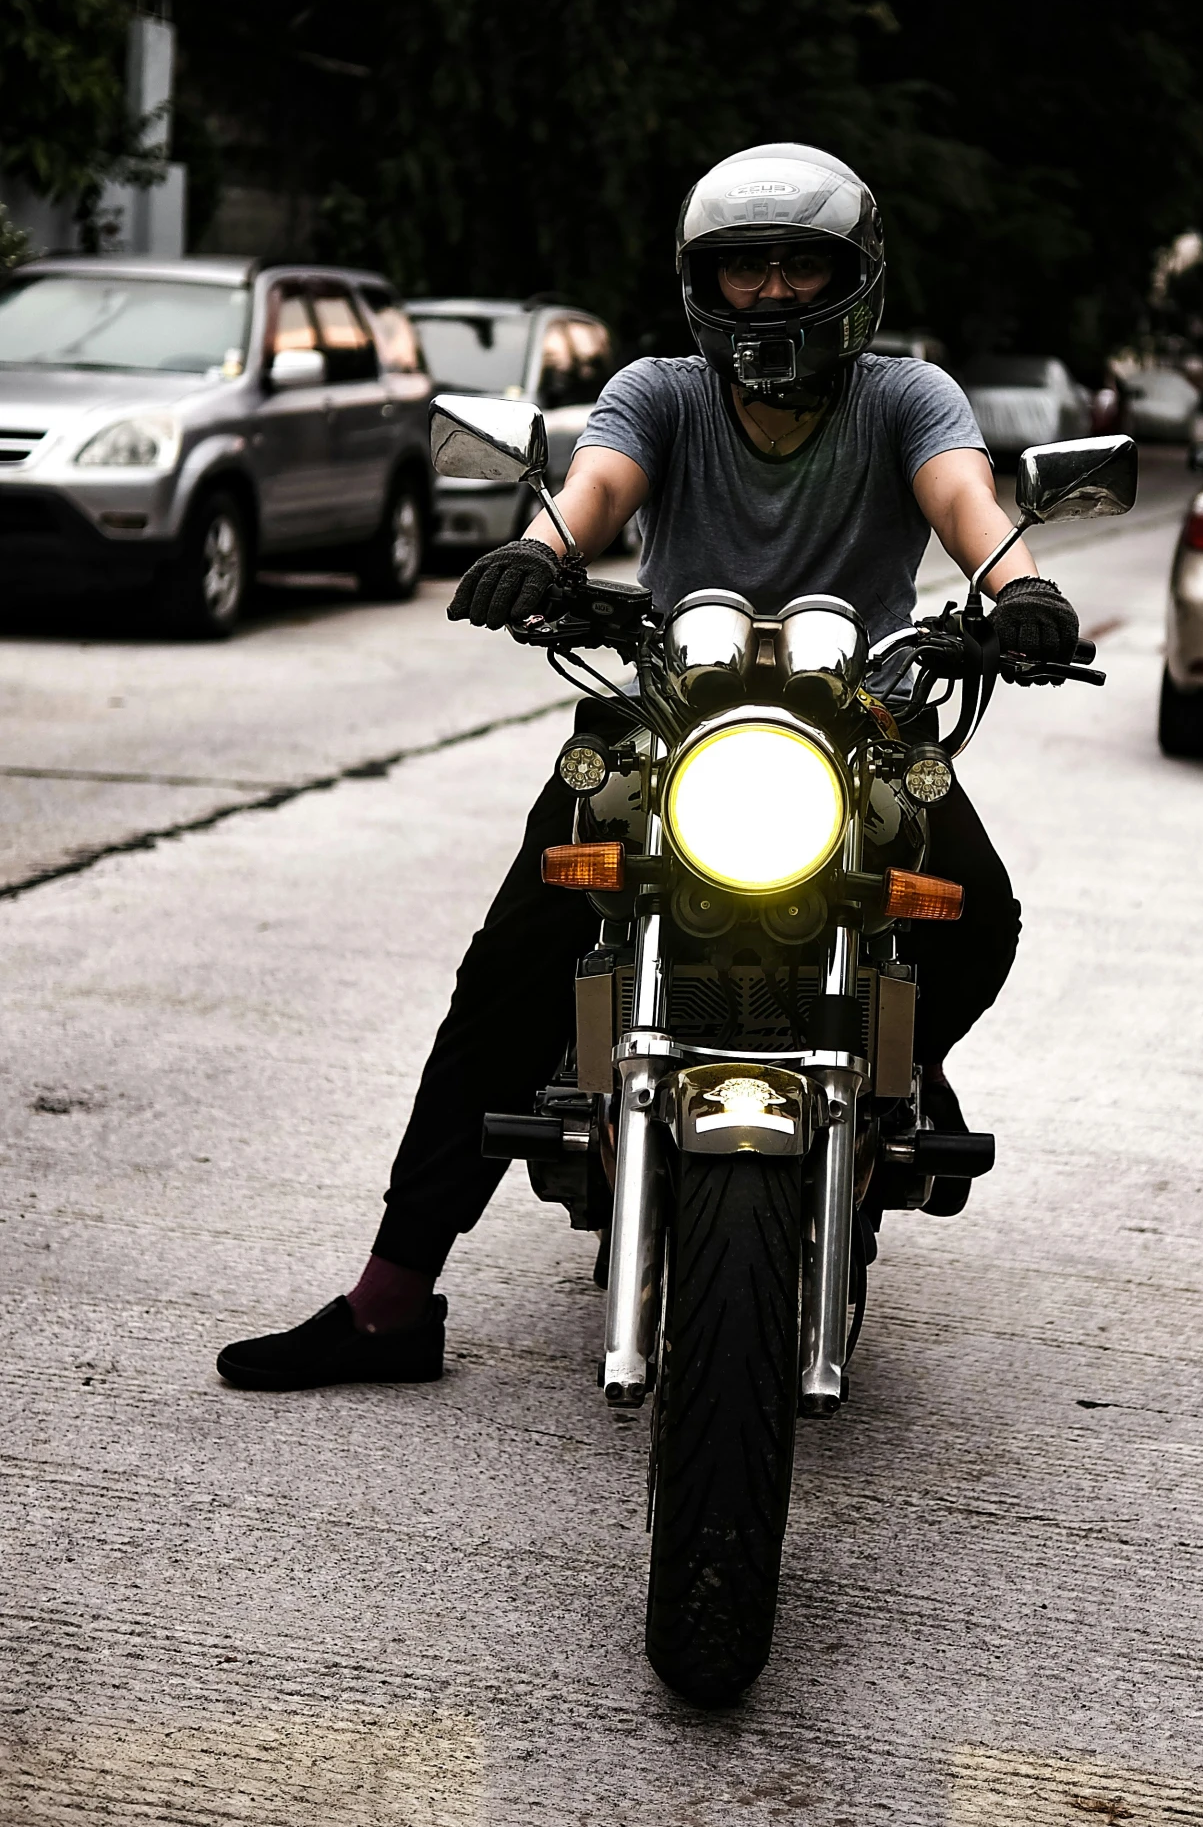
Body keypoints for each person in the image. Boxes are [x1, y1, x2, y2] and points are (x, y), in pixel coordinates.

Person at [217, 144, 1077, 1391]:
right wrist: (543, 552)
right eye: (744, 268)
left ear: (855, 278)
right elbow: (596, 484)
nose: (773, 293)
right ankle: (389, 1303)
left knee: (978, 918)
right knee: (510, 970)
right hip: (670, 722)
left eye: (799, 265)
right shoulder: (660, 392)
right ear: (703, 285)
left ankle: (890, 1075)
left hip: (866, 723)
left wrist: (1022, 587)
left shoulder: (907, 398)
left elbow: (963, 499)